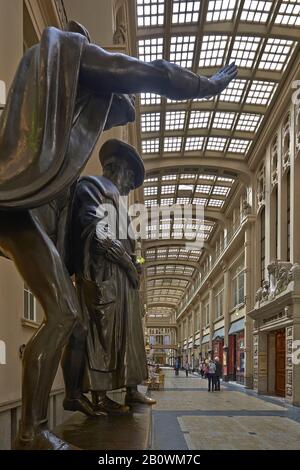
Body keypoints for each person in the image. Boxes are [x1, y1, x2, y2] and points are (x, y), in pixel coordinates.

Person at [0, 20, 237, 449]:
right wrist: (205, 86)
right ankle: (33, 429)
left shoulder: (60, 100)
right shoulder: (77, 56)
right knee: (66, 316)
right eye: (116, 108)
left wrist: (132, 262)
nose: (110, 115)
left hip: (20, 205)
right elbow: (153, 72)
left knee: (63, 314)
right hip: (19, 201)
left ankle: (31, 430)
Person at [69, 138, 155, 414]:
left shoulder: (118, 203)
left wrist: (135, 264)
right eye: (130, 179)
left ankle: (131, 390)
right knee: (102, 338)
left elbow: (130, 247)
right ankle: (100, 396)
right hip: (103, 276)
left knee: (128, 337)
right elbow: (96, 231)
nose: (130, 186)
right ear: (118, 169)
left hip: (123, 282)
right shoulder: (91, 187)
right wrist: (128, 264)